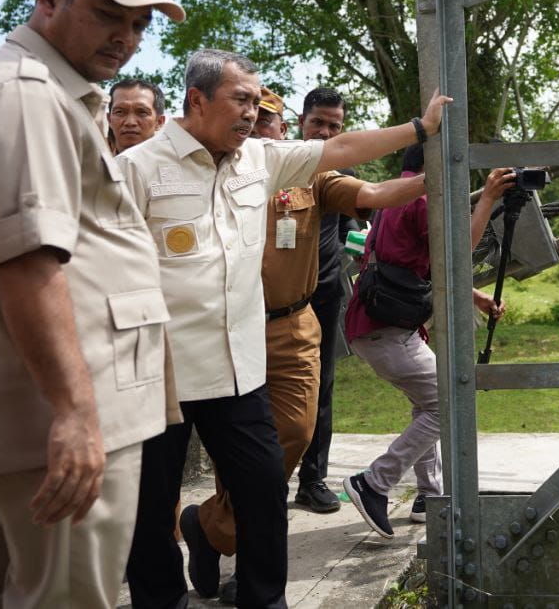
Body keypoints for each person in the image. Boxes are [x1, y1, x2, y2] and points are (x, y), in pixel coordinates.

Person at [119, 48, 450, 609]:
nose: (251, 112)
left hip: (239, 365)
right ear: (197, 100)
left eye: (256, 101)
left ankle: (264, 599)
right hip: (160, 367)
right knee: (151, 501)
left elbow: (341, 150)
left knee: (264, 484)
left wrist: (419, 129)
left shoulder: (260, 159)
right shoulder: (137, 169)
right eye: (240, 100)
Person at [0, 0, 183, 607]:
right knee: (67, 598)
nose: (126, 38)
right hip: (61, 413)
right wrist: (74, 413)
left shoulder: (48, 93)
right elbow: (27, 265)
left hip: (64, 406)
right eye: (108, 14)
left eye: (139, 24)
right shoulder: (25, 97)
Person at [191, 86, 427, 605]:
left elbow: (373, 193)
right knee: (238, 453)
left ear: (283, 128)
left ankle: (211, 526)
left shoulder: (312, 175)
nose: (257, 128)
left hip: (293, 325)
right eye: (250, 120)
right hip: (228, 328)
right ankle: (241, 563)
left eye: (266, 121)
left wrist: (435, 177)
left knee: (295, 431)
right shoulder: (212, 173)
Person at [343, 146, 512, 536]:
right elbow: (456, 253)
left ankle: (429, 496)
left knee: (428, 403)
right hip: (388, 329)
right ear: (435, 164)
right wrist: (488, 198)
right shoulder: (421, 198)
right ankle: (374, 482)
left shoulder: (393, 193)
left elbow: (419, 263)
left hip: (376, 324)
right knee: (449, 402)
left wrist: (475, 296)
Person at [295, 87, 361, 514]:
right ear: (301, 122)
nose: (324, 132)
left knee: (322, 387)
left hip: (325, 294)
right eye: (317, 122)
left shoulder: (343, 171)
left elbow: (349, 228)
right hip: (273, 298)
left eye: (334, 126)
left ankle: (312, 480)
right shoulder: (277, 163)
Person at [108, 78, 167, 153]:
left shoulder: (175, 159)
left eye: (142, 112)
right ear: (109, 120)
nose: (130, 122)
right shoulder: (94, 159)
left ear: (159, 122)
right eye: (119, 112)